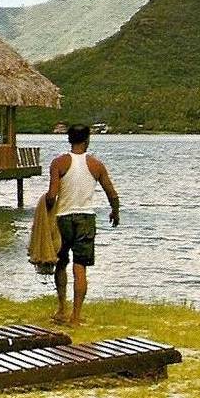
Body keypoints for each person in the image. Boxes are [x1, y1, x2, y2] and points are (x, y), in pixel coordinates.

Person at [45, 123, 119, 326]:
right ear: (87, 140)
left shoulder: (59, 163)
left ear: (69, 140)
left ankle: (61, 309)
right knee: (80, 268)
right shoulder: (96, 164)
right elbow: (111, 193)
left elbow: (52, 195)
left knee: (61, 263)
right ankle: (75, 317)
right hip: (86, 218)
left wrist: (46, 211)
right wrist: (115, 212)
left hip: (63, 218)